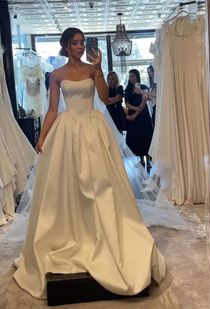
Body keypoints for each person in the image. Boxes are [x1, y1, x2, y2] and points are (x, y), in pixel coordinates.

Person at [13, 28, 166, 300]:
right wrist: (42, 136)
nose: (80, 47)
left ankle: (106, 232)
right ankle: (74, 232)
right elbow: (51, 110)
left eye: (82, 43)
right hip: (68, 131)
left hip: (94, 129)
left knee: (102, 184)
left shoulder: (92, 69)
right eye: (75, 43)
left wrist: (99, 69)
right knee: (69, 185)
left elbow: (106, 99)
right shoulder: (57, 75)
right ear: (65, 46)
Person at [124, 69, 153, 168]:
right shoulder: (127, 89)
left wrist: (136, 114)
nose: (131, 78)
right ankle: (141, 159)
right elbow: (127, 103)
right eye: (130, 76)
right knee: (137, 138)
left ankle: (148, 161)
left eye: (133, 76)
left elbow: (144, 102)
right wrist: (134, 109)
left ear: (137, 76)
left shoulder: (143, 87)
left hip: (142, 116)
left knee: (145, 137)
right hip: (133, 116)